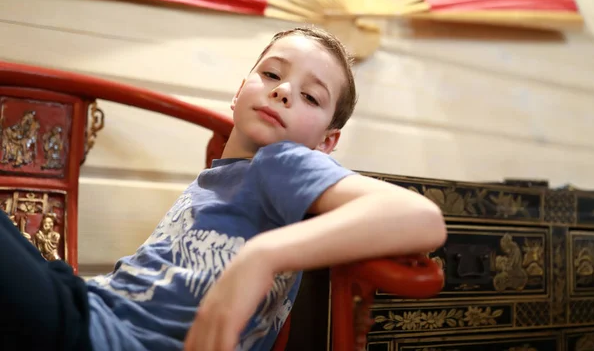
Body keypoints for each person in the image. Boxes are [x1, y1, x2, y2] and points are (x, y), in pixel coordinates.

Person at [0, 27, 446, 351]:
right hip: (90, 304)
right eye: (271, 74)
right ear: (239, 93)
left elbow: (421, 219)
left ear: (326, 144)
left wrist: (263, 256)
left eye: (311, 97)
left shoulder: (281, 162)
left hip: (102, 336)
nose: (285, 91)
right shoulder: (225, 173)